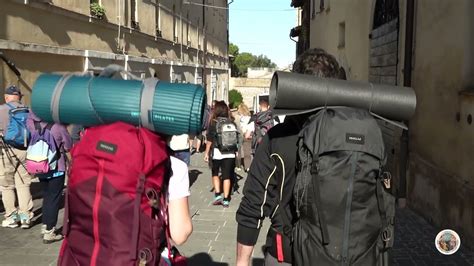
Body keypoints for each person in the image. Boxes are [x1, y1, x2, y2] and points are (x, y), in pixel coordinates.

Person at [236, 48, 344, 265]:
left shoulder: (279, 138)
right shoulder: (357, 137)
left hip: (288, 253)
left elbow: (254, 203)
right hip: (348, 254)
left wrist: (242, 260)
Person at [26, 112, 72, 243]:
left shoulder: (31, 123)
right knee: (54, 198)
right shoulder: (58, 126)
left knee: (47, 196)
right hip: (56, 168)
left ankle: (45, 226)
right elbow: (68, 145)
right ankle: (49, 231)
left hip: (39, 166)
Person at [0, 85, 33, 229]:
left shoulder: (1, 110)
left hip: (6, 151)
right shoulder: (28, 110)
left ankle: (12, 217)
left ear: (6, 97)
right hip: (25, 150)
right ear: (19, 96)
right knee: (23, 183)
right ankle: (25, 217)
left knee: (6, 185)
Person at [204, 101, 236, 208]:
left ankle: (218, 195)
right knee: (227, 176)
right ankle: (226, 199)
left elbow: (209, 140)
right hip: (230, 153)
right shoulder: (232, 122)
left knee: (215, 173)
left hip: (217, 153)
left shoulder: (213, 123)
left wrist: (207, 153)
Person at [237, 103, 252, 172]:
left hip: (242, 134)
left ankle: (238, 165)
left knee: (239, 150)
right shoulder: (250, 118)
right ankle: (248, 167)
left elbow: (240, 127)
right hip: (249, 135)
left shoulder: (241, 118)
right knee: (247, 152)